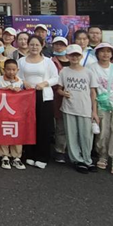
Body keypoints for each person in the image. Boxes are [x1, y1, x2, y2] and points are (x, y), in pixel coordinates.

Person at [18, 35, 59, 169]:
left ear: (42, 46)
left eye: (37, 45)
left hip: (44, 96)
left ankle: (42, 156)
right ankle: (30, 154)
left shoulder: (48, 61)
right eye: (31, 44)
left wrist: (45, 83)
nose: (34, 47)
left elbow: (55, 78)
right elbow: (17, 76)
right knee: (29, 125)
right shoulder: (21, 61)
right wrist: (23, 82)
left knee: (44, 126)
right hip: (27, 96)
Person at [88, 43, 113, 176]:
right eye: (102, 51)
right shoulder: (91, 68)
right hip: (100, 104)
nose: (105, 54)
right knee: (102, 132)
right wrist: (93, 109)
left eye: (108, 51)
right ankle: (102, 155)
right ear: (97, 53)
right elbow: (92, 89)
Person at [57, 45, 95, 173]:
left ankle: (87, 159)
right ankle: (77, 160)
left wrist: (94, 111)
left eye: (77, 55)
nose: (74, 57)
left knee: (86, 136)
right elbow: (59, 89)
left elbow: (93, 92)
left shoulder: (88, 72)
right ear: (67, 56)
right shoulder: (64, 71)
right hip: (69, 107)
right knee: (71, 135)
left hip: (85, 107)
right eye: (72, 55)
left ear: (81, 56)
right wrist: (63, 93)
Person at [0, 59, 26, 170]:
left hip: (16, 112)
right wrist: (3, 89)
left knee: (16, 133)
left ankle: (16, 157)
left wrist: (20, 91)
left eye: (13, 70)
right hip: (2, 112)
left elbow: (25, 97)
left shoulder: (20, 81)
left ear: (17, 70)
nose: (11, 72)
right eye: (8, 69)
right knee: (3, 132)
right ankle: (4, 156)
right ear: (4, 70)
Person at [50, 35, 70, 163]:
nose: (59, 47)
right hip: (57, 96)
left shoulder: (73, 61)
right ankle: (60, 150)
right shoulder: (50, 61)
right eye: (56, 44)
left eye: (62, 45)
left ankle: (73, 150)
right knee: (60, 125)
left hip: (74, 96)